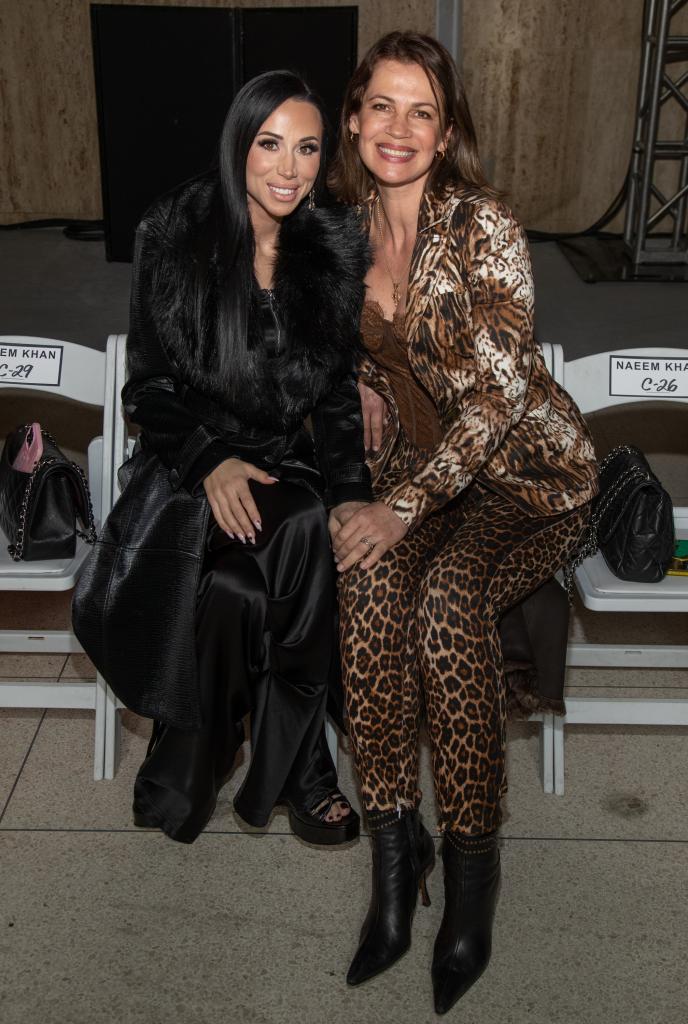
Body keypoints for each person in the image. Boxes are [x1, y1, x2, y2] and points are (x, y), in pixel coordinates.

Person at [327, 32, 598, 1013]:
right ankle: (395, 858)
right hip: (421, 469)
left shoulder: (484, 230)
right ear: (353, 119)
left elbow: (490, 399)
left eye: (422, 112)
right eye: (382, 107)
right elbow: (348, 346)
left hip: (528, 479)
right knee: (364, 585)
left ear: (444, 136)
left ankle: (473, 873)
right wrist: (358, 382)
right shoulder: (342, 233)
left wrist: (399, 506)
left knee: (444, 595)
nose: (398, 130)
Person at [73, 71, 373, 846]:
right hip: (183, 474)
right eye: (269, 144)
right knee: (274, 551)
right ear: (238, 144)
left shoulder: (331, 244)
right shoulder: (175, 230)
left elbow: (337, 395)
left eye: (307, 148)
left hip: (284, 465)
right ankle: (303, 774)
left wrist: (349, 489)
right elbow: (149, 389)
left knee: (288, 538)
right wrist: (210, 461)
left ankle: (201, 763)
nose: (289, 168)